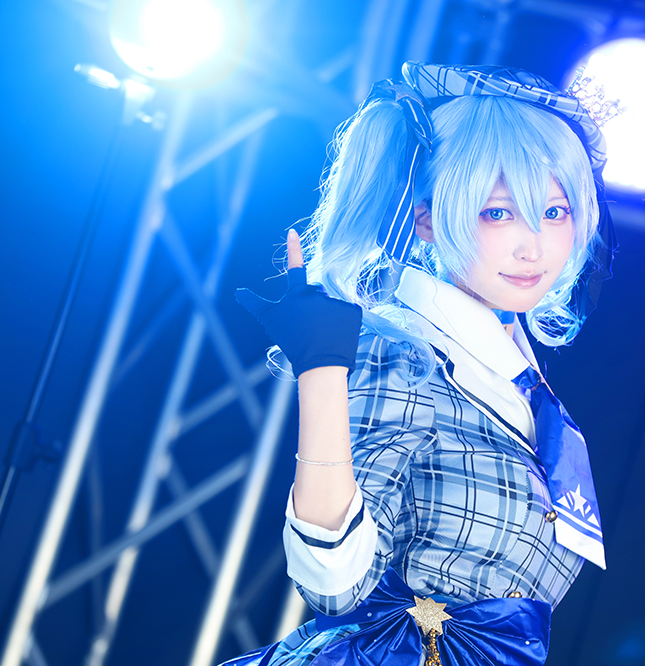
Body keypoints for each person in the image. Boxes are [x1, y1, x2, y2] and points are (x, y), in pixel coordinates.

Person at [231, 61, 617, 666]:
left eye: (554, 212)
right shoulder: (403, 355)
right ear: (427, 218)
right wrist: (324, 370)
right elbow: (335, 584)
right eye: (498, 212)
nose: (534, 246)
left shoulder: (525, 388)